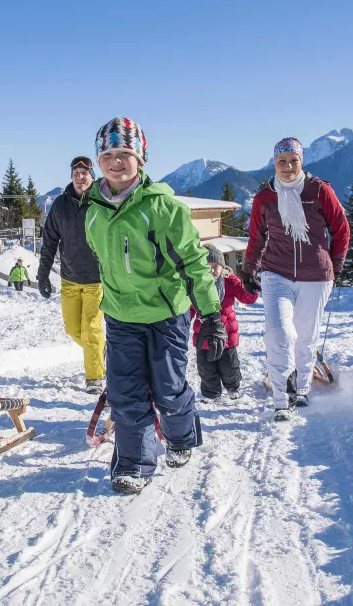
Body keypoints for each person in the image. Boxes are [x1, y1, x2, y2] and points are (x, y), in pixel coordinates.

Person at [85, 117, 227, 494]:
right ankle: (133, 464)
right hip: (120, 315)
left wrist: (212, 315)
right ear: (99, 160)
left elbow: (194, 262)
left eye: (125, 154)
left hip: (166, 314)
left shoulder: (163, 208)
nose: (116, 161)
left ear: (141, 158)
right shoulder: (94, 210)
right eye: (108, 154)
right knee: (125, 393)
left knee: (168, 388)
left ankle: (181, 438)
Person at [240, 137, 350, 421]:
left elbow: (341, 230)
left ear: (302, 162)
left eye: (293, 161)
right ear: (274, 163)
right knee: (279, 333)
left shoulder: (319, 191)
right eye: (282, 161)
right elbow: (256, 237)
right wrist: (248, 270)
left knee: (305, 337)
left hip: (316, 276)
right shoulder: (265, 197)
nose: (288, 167)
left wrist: (334, 267)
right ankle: (281, 398)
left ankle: (302, 389)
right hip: (276, 273)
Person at [37, 155, 106, 394]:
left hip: (96, 280)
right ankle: (98, 351)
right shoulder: (60, 205)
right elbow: (49, 243)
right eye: (75, 174)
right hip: (69, 278)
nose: (80, 177)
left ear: (92, 176)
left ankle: (94, 379)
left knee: (92, 327)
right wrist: (43, 274)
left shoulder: (101, 202)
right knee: (72, 329)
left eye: (84, 174)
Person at [191, 247, 258, 402]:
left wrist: (251, 288)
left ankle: (232, 386)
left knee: (229, 365)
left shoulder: (229, 281)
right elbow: (190, 308)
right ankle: (210, 392)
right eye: (207, 267)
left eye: (216, 267)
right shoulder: (197, 284)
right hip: (204, 334)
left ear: (223, 267)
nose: (212, 271)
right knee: (206, 368)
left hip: (227, 334)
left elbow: (247, 297)